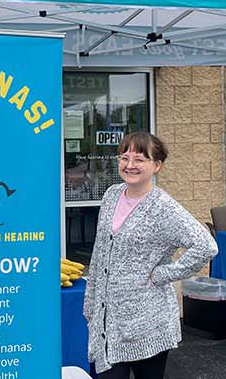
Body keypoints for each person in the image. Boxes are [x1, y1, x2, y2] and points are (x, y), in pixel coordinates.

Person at [83, 132, 217, 379]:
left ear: (156, 165)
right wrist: (91, 303)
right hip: (106, 322)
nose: (129, 165)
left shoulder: (163, 208)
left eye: (139, 159)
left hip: (148, 323)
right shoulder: (111, 195)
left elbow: (205, 246)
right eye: (124, 157)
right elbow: (99, 253)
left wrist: (164, 273)